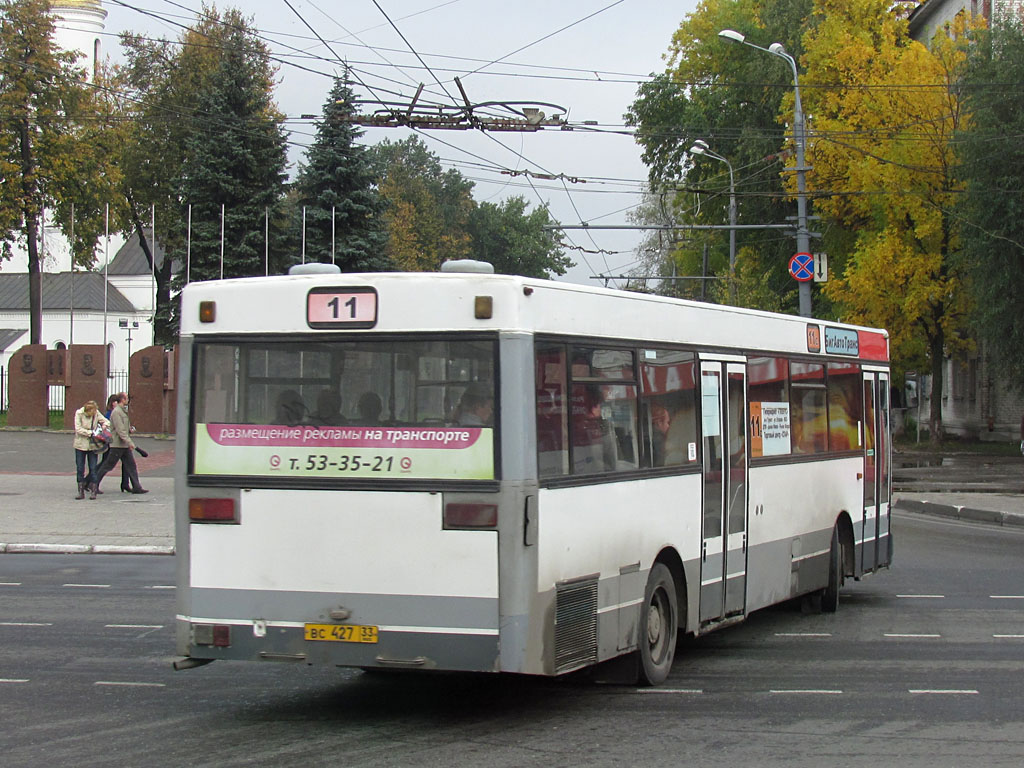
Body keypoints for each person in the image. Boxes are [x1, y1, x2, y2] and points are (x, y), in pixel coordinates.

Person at [93, 392, 148, 497]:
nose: (128, 400)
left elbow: (123, 429)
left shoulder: (122, 411)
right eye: (126, 398)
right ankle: (94, 484)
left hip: (123, 445)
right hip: (117, 445)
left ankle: (137, 487)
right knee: (108, 466)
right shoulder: (117, 412)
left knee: (131, 466)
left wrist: (129, 431)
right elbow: (120, 430)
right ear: (122, 399)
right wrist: (131, 443)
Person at [72, 400, 109, 500]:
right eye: (91, 412)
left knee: (93, 468)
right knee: (80, 468)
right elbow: (78, 429)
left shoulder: (96, 413)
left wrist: (104, 425)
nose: (93, 414)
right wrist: (91, 432)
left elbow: (106, 421)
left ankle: (93, 490)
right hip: (80, 444)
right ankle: (80, 491)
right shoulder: (79, 413)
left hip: (92, 445)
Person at [103, 393, 131, 493]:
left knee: (128, 464)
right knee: (106, 464)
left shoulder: (122, 411)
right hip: (115, 443)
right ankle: (91, 481)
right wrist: (129, 442)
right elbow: (118, 429)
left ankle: (127, 484)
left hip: (122, 443)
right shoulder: (113, 413)